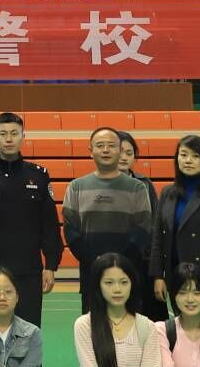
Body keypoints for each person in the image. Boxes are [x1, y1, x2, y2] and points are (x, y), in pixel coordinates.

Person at [0, 113, 62, 365]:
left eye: (14, 133)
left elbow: (49, 224)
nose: (8, 139)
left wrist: (51, 265)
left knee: (29, 334)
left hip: (28, 271)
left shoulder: (38, 176)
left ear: (23, 137)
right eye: (3, 134)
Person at [63, 125, 157, 318]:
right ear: (91, 151)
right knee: (94, 327)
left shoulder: (137, 188)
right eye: (100, 145)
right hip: (91, 272)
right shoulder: (76, 187)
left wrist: (119, 262)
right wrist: (94, 260)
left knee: (129, 327)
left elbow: (143, 228)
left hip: (128, 272)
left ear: (120, 150)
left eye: (111, 145)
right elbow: (71, 230)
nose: (106, 150)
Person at [150, 135, 200, 323]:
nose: (188, 160)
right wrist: (157, 275)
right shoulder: (168, 193)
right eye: (183, 154)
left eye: (195, 156)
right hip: (176, 277)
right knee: (181, 333)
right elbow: (158, 237)